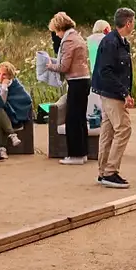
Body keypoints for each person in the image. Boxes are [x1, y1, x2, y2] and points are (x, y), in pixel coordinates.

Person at [90, 7, 136, 189]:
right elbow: (106, 71)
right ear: (128, 23)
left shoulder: (121, 42)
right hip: (111, 93)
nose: (134, 25)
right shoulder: (111, 42)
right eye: (133, 21)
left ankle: (103, 171)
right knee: (124, 128)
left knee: (108, 132)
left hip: (112, 92)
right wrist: (124, 92)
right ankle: (110, 172)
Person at [48, 12, 91, 165]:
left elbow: (64, 66)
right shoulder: (78, 37)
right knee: (79, 118)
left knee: (72, 119)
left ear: (60, 28)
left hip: (76, 81)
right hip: (83, 79)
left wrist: (49, 65)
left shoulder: (68, 41)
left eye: (56, 31)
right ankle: (82, 152)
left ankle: (75, 155)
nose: (56, 35)